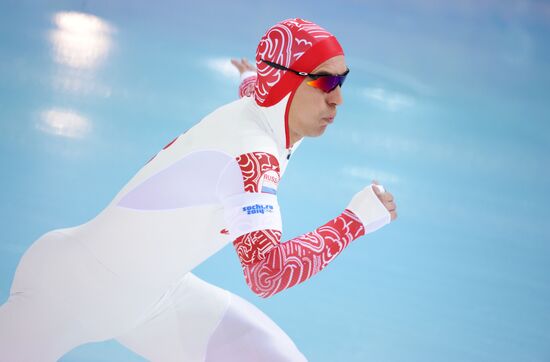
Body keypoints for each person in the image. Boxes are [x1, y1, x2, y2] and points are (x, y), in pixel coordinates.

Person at [0, 18, 397, 361]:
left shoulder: (273, 110)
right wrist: (354, 221)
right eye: (327, 81)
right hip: (69, 292)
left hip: (155, 299)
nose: (339, 98)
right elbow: (267, 273)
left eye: (343, 80)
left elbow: (257, 90)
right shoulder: (252, 159)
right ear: (286, 85)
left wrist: (247, 78)